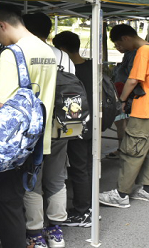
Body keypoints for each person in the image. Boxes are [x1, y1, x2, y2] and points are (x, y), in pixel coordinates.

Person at [0, 4, 57, 248]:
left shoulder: (12, 53)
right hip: (37, 137)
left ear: (2, 25)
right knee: (15, 196)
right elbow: (28, 92)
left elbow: (3, 101)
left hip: (12, 141)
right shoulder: (46, 49)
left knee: (5, 200)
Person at [19, 13, 73, 246]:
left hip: (35, 127)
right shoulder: (62, 54)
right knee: (57, 178)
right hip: (63, 125)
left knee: (33, 180)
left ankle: (35, 234)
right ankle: (56, 230)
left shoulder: (23, 53)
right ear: (49, 31)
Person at [98, 24, 149, 209]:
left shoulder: (143, 51)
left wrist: (121, 99)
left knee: (131, 151)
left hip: (144, 109)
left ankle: (121, 194)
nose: (120, 48)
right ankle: (148, 190)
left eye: (118, 43)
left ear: (126, 38)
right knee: (147, 150)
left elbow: (133, 80)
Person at [52, 30, 94, 228]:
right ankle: (88, 207)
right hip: (93, 122)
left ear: (62, 50)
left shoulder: (68, 73)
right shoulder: (92, 66)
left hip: (76, 124)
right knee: (87, 166)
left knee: (78, 168)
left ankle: (82, 212)